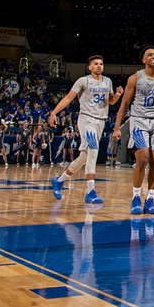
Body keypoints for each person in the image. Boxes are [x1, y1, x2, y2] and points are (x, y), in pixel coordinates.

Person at [112, 47, 154, 214]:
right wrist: (116, 128)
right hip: (138, 120)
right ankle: (135, 197)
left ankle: (150, 199)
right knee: (142, 158)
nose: (153, 56)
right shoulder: (135, 78)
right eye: (149, 54)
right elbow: (125, 104)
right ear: (143, 60)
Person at [51, 55, 124, 205]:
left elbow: (110, 101)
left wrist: (117, 95)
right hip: (86, 119)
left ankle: (59, 181)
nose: (99, 66)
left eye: (101, 64)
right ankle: (90, 191)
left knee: (84, 157)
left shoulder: (107, 81)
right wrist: (53, 113)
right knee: (94, 150)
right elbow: (68, 98)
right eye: (96, 64)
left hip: (100, 121)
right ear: (89, 67)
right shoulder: (83, 81)